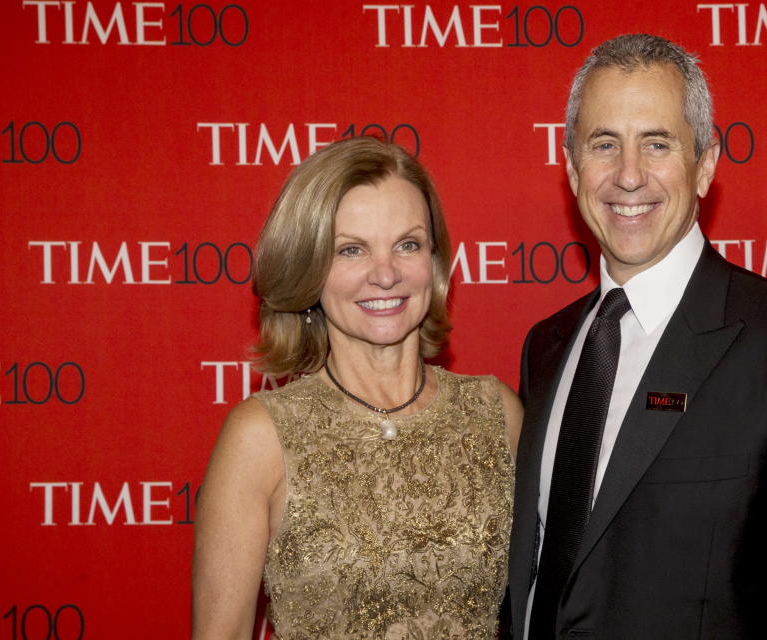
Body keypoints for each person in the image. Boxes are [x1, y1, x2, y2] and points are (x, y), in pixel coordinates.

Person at [508, 34, 767, 639]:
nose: (628, 176)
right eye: (604, 144)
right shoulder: (547, 347)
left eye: (657, 144)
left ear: (705, 164)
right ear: (573, 166)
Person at [192, 136, 522, 639]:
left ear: (434, 263)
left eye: (407, 244)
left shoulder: (496, 413)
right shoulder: (262, 436)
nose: (385, 274)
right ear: (310, 270)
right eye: (351, 250)